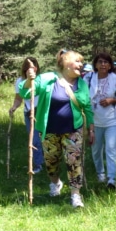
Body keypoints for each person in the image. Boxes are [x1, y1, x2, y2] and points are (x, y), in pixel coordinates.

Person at [19, 49, 95, 208]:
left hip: (73, 129)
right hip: (50, 130)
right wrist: (28, 80)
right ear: (66, 63)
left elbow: (87, 106)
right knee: (51, 162)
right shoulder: (48, 78)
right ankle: (56, 183)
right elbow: (26, 93)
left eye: (82, 62)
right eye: (77, 61)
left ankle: (75, 195)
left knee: (74, 162)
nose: (81, 65)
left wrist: (91, 129)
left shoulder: (81, 84)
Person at [83, 53, 116, 189]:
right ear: (95, 65)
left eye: (106, 62)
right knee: (96, 150)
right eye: (100, 62)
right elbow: (82, 95)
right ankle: (100, 173)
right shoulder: (88, 78)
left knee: (111, 149)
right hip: (93, 121)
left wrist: (112, 100)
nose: (103, 64)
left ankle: (111, 179)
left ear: (110, 66)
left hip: (112, 120)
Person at [9, 57, 44, 174]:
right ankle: (39, 164)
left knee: (45, 139)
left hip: (42, 111)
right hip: (29, 112)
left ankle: (49, 163)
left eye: (34, 67)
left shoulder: (41, 79)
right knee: (34, 140)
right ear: (24, 69)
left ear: (37, 68)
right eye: (29, 68)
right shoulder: (20, 81)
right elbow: (19, 98)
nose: (31, 70)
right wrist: (14, 107)